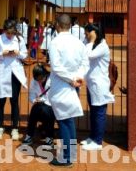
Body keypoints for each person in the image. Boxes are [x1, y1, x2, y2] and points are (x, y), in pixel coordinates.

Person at [47, 14, 89, 167]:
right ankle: (70, 154)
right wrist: (77, 77)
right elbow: (85, 63)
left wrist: (71, 79)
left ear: (57, 25)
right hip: (73, 84)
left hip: (62, 85)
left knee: (64, 121)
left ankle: (66, 157)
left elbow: (56, 67)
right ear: (70, 26)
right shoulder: (78, 42)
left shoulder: (55, 42)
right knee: (69, 120)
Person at [0, 18, 28, 140]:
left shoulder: (20, 39)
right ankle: (0, 127)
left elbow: (25, 54)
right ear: (4, 30)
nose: (10, 35)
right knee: (1, 100)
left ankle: (14, 128)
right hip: (3, 72)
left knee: (14, 101)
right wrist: (2, 54)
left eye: (12, 33)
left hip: (15, 73)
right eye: (8, 33)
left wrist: (17, 53)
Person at [81, 23, 115, 150]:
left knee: (99, 112)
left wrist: (91, 40)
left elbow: (87, 55)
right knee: (94, 112)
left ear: (94, 33)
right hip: (92, 84)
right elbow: (82, 51)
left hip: (99, 85)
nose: (86, 36)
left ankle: (98, 141)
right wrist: (88, 40)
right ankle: (92, 137)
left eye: (87, 33)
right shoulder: (94, 45)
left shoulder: (102, 46)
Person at [21, 63, 55, 148]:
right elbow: (31, 95)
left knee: (46, 111)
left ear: (45, 74)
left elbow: (54, 96)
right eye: (37, 79)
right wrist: (34, 100)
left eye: (40, 78)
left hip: (52, 106)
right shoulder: (34, 81)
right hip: (40, 105)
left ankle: (49, 137)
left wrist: (42, 101)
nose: (39, 81)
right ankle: (29, 135)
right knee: (34, 110)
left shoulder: (52, 79)